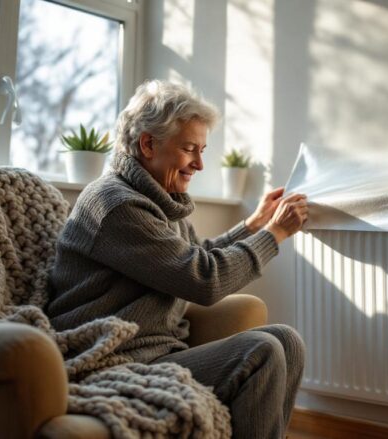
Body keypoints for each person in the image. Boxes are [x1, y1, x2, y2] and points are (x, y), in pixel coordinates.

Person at [47, 80, 308, 438]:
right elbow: (203, 279)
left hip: (157, 352)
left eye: (202, 150)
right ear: (148, 144)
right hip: (110, 360)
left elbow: (195, 258)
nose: (199, 164)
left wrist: (254, 224)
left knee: (286, 340)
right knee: (260, 350)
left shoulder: (158, 198)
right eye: (189, 149)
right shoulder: (115, 204)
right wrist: (274, 234)